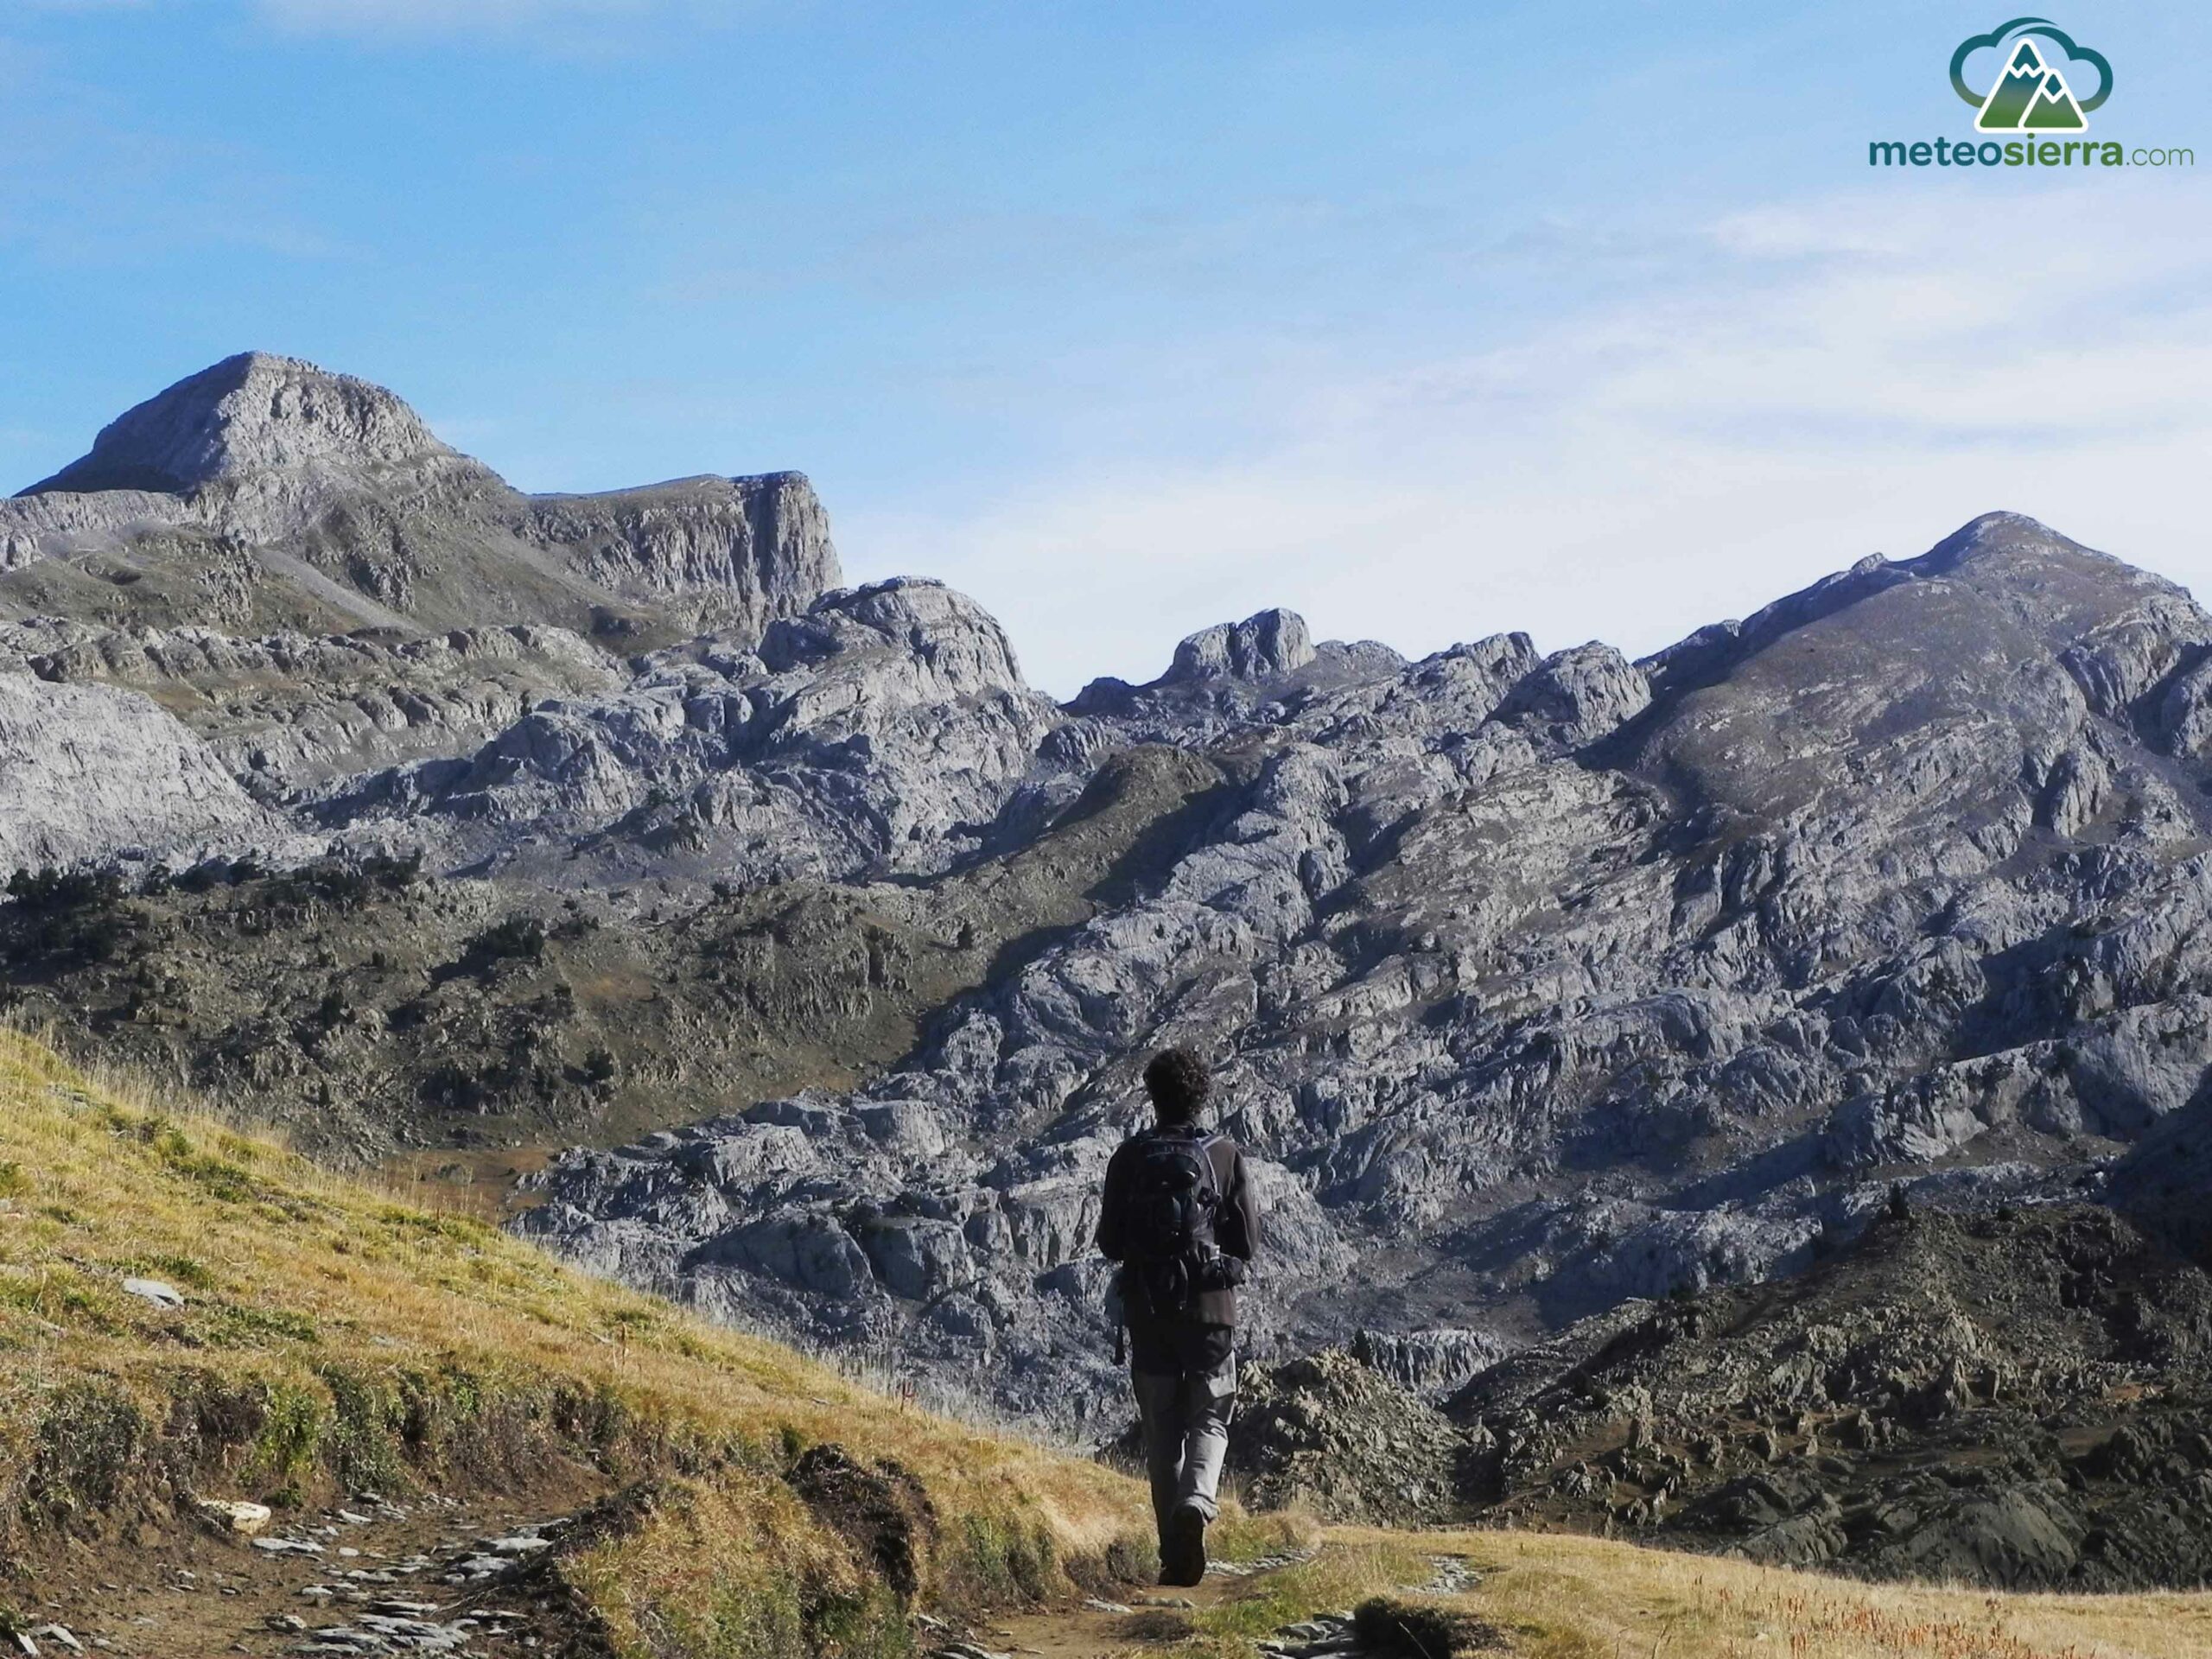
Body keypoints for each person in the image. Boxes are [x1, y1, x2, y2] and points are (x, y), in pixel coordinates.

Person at [1095, 1045, 1261, 1586]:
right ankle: (1198, 1500)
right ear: (1201, 1094)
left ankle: (1174, 1553)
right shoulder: (1223, 1154)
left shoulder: (1130, 1155)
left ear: (1153, 1095)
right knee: (1210, 1417)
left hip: (1149, 1311)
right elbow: (1247, 1242)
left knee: (1161, 1432)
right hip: (1212, 1312)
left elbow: (1109, 1242)